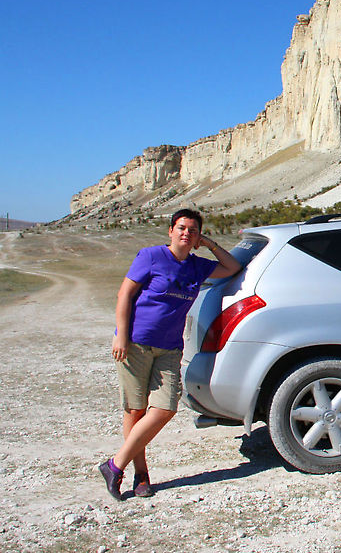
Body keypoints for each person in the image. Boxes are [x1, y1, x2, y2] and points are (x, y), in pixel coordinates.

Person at [98, 209, 241, 500]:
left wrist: (211, 245)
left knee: (164, 409)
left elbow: (232, 267)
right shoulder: (150, 256)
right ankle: (141, 474)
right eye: (181, 227)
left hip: (170, 347)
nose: (186, 233)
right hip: (135, 343)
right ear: (170, 231)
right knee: (135, 410)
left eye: (193, 230)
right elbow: (125, 294)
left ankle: (114, 465)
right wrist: (121, 335)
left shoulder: (198, 266)